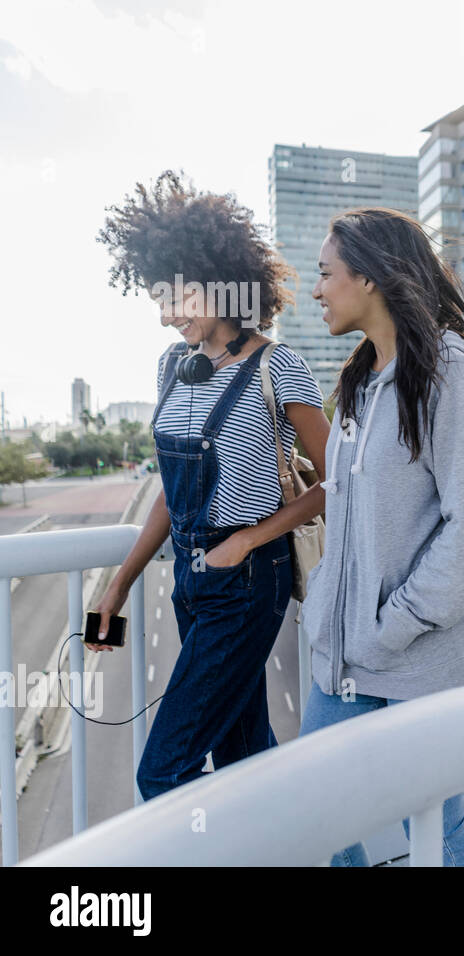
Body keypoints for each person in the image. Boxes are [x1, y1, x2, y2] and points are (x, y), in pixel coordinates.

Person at [90, 170, 330, 800]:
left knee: (163, 771)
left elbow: (339, 481)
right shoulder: (173, 367)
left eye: (176, 298)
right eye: (158, 301)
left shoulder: (278, 366)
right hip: (193, 582)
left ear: (223, 285)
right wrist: (118, 585)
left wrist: (251, 541)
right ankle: (326, 851)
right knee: (244, 753)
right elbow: (174, 493)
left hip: (249, 579)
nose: (167, 316)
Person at [297, 207, 464, 867]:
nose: (317, 290)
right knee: (320, 814)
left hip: (414, 653)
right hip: (345, 655)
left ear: (372, 277)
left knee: (434, 827)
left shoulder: (447, 369)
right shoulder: (357, 384)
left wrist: (395, 621)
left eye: (326, 274)